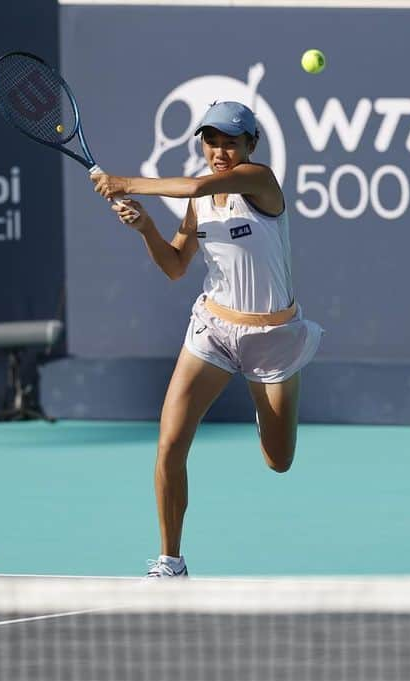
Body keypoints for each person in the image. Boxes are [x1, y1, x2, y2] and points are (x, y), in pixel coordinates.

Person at [91, 101, 323, 578]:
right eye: (212, 141)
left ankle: (265, 412)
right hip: (212, 331)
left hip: (272, 337)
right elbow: (176, 266)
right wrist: (147, 228)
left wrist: (126, 182)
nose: (220, 150)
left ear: (250, 146)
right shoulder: (199, 203)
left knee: (279, 461)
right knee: (170, 442)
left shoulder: (260, 180)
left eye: (231, 142)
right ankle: (170, 561)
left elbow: (195, 184)